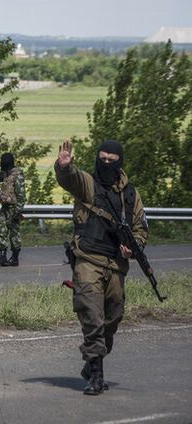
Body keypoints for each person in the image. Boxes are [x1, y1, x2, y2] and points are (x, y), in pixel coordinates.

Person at [55, 139, 148, 396]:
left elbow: (141, 228)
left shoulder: (131, 195)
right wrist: (63, 166)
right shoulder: (87, 183)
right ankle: (97, 374)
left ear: (120, 162)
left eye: (111, 160)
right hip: (88, 261)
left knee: (113, 318)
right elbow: (69, 178)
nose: (105, 163)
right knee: (92, 317)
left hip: (116, 266)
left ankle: (91, 361)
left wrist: (134, 246)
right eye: (102, 158)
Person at [0, 152, 26, 266]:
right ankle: (2, 256)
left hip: (14, 208)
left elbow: (21, 196)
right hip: (5, 207)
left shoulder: (17, 175)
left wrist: (17, 212)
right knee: (1, 231)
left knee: (14, 234)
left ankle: (15, 258)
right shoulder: (5, 173)